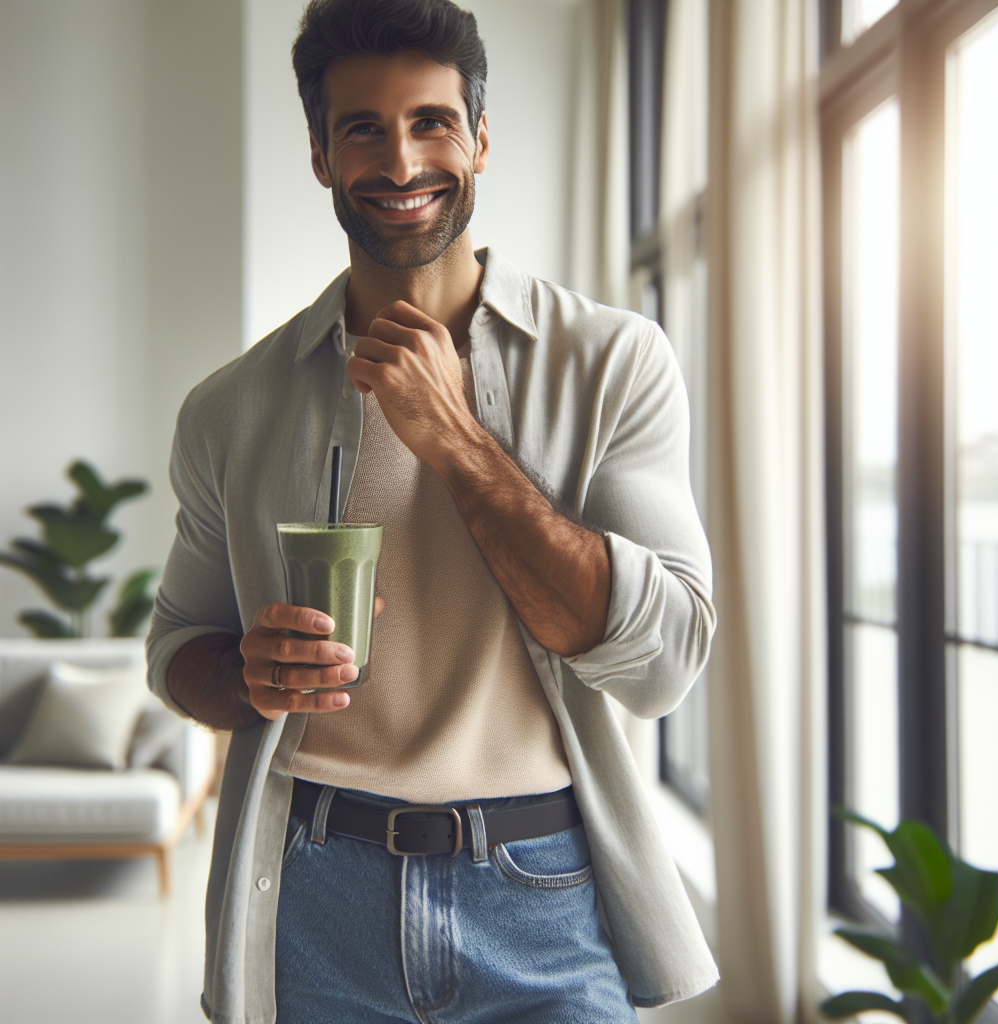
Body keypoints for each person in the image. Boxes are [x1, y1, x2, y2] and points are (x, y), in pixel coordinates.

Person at [147, 0, 718, 1020]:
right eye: (362, 127)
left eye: (431, 122)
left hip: (544, 890)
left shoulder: (613, 363)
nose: (401, 160)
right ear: (320, 155)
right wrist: (244, 674)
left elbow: (663, 659)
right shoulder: (231, 406)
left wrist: (452, 437)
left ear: (480, 139)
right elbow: (178, 647)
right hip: (314, 895)